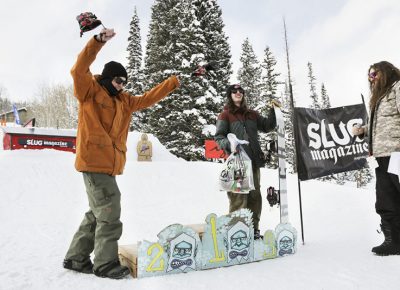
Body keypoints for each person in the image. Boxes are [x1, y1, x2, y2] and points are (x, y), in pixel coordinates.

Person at [63, 28, 180, 278]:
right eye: (118, 80)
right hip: (93, 162)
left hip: (108, 165)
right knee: (109, 212)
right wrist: (97, 42)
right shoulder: (90, 92)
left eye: (124, 82)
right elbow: (78, 70)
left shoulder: (124, 101)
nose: (122, 85)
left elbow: (148, 99)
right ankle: (104, 263)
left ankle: (75, 258)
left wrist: (173, 82)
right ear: (107, 78)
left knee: (97, 212)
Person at [214, 84, 277, 239]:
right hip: (237, 163)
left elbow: (268, 126)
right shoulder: (225, 115)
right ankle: (236, 232)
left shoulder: (252, 115)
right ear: (229, 95)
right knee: (239, 197)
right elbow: (219, 138)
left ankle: (254, 230)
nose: (238, 93)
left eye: (241, 91)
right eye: (234, 91)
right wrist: (229, 144)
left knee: (255, 196)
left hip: (254, 161)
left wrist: (274, 110)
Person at [353, 61, 400, 256]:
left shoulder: (397, 87)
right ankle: (394, 242)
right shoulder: (378, 98)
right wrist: (362, 131)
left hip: (397, 153)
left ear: (387, 71)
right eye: (369, 75)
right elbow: (377, 125)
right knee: (385, 200)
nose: (372, 78)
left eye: (375, 74)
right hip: (381, 156)